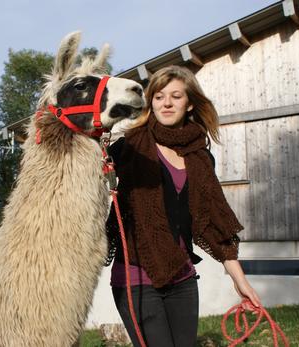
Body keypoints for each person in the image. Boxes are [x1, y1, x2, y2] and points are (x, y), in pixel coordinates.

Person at [105, 65, 261, 347]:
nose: (166, 103)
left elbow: (216, 225)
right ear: (150, 102)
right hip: (137, 278)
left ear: (189, 104)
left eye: (175, 96)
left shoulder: (201, 158)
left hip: (183, 278)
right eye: (159, 96)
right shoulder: (128, 148)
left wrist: (240, 281)